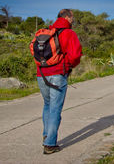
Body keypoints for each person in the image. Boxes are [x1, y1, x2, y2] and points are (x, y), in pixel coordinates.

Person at [36, 9, 82, 154]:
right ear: (67, 17)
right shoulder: (69, 33)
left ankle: (46, 134)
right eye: (72, 17)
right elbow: (75, 55)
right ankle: (50, 144)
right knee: (55, 108)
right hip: (58, 74)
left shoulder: (46, 32)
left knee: (47, 104)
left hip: (41, 74)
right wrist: (68, 66)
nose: (72, 20)